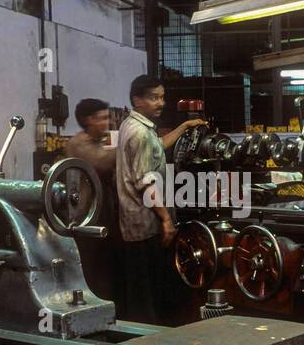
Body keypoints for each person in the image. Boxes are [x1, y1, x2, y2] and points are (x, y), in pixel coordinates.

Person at [114, 74, 204, 323]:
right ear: (137, 100)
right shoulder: (140, 134)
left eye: (162, 97)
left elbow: (159, 146)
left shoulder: (132, 125)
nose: (161, 103)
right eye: (154, 98)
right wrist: (166, 220)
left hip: (134, 224)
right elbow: (146, 183)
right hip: (146, 225)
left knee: (142, 291)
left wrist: (184, 127)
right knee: (148, 295)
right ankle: (148, 344)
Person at [64, 97, 118, 301]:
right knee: (92, 267)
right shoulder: (78, 143)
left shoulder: (98, 142)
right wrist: (129, 144)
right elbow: (101, 162)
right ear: (88, 120)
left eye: (107, 118)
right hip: (87, 218)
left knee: (105, 266)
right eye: (102, 118)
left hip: (103, 214)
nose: (107, 123)